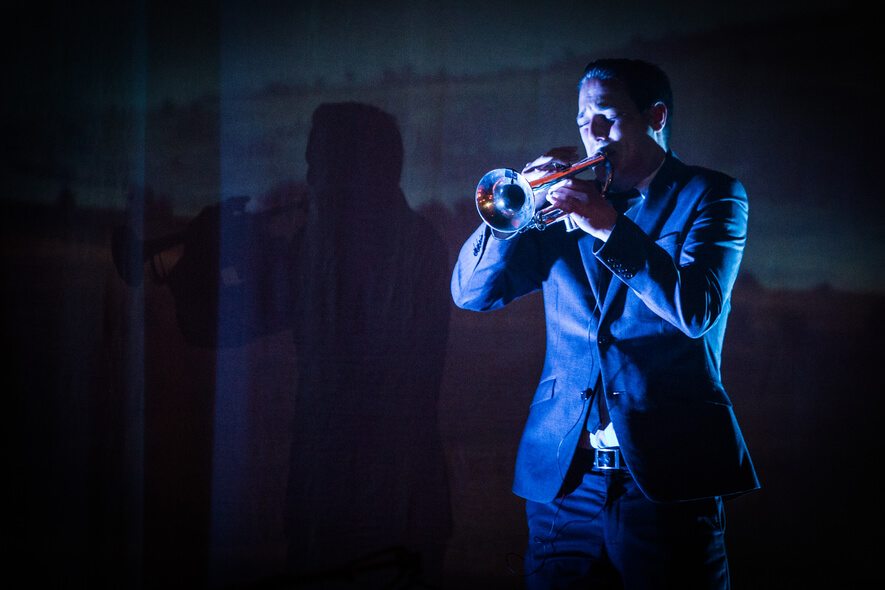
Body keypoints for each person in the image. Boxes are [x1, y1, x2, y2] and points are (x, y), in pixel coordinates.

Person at [451, 58, 760, 589]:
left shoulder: (712, 195)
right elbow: (471, 294)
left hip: (667, 477)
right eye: (582, 121)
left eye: (608, 118)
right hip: (565, 480)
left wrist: (610, 229)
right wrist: (513, 218)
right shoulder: (561, 209)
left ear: (656, 117)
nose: (592, 134)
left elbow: (696, 310)